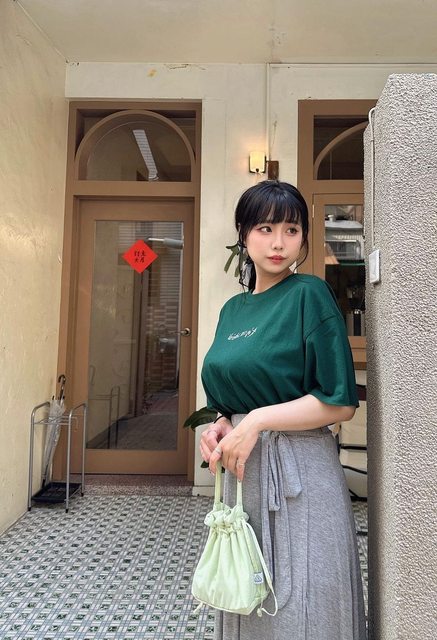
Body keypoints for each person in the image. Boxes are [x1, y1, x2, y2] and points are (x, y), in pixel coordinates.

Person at [200, 180, 367, 640]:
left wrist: (257, 420)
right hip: (244, 477)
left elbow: (339, 403)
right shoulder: (232, 310)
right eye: (266, 228)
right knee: (248, 595)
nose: (278, 243)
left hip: (300, 476)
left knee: (304, 602)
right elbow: (228, 395)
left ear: (303, 238)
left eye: (291, 230)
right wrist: (220, 424)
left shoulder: (309, 294)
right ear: (243, 234)